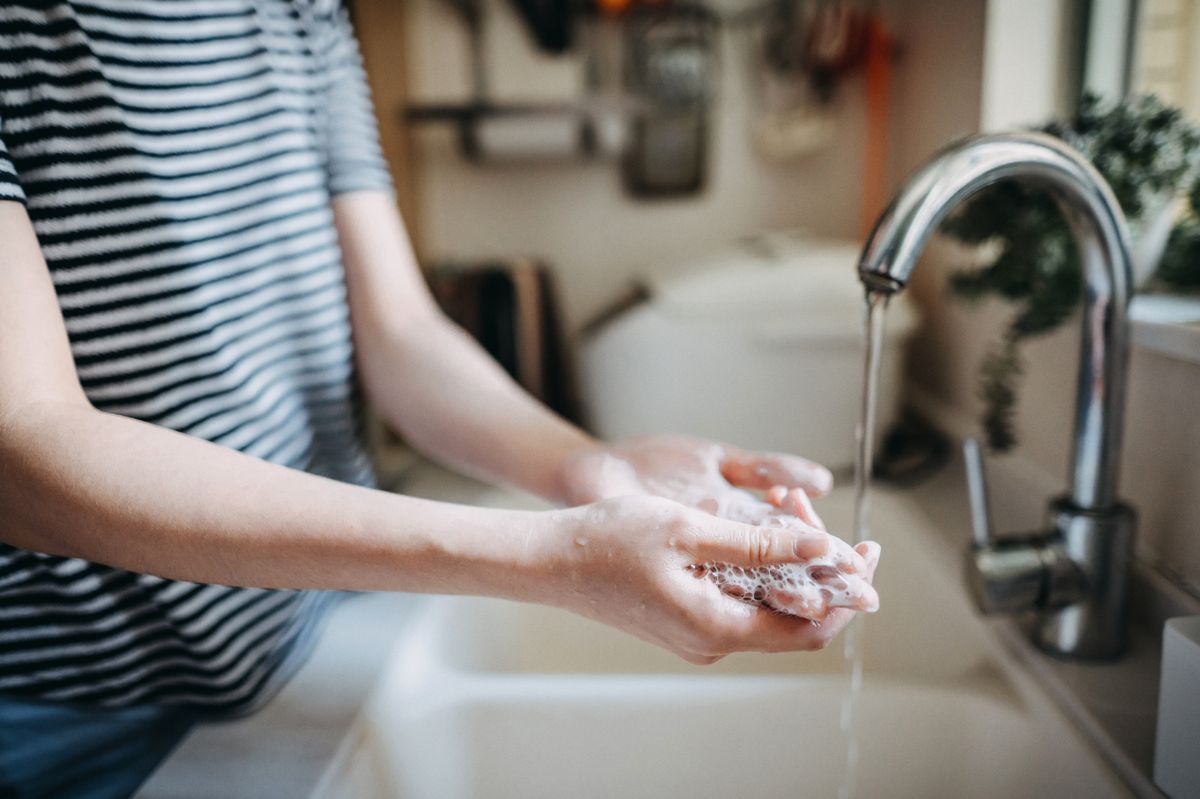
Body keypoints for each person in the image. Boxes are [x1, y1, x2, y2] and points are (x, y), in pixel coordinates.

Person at [0, 1, 880, 796]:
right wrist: (553, 556)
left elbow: (403, 334)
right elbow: (24, 450)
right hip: (70, 707)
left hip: (309, 634)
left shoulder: (297, 10)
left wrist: (582, 461)